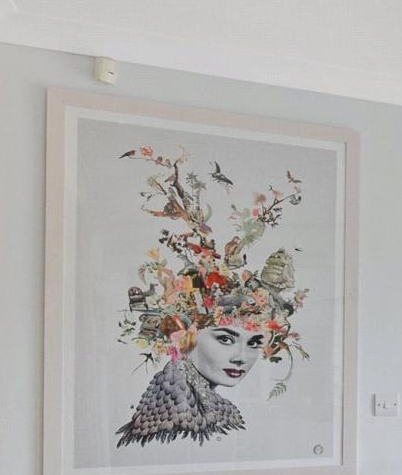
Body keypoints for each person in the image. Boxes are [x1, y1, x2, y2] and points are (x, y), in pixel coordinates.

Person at [114, 147, 308, 447]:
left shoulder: (213, 411)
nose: (241, 357)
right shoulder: (173, 418)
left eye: (254, 342)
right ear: (184, 337)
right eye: (226, 339)